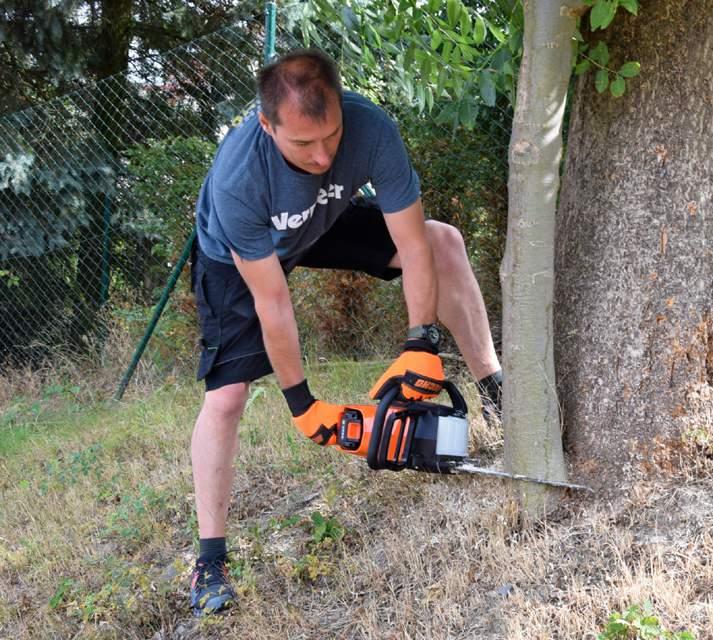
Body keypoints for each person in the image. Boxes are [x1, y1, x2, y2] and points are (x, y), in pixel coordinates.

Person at [189, 48, 502, 616]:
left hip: (319, 222)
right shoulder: (239, 178)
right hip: (240, 259)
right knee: (227, 397)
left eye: (331, 137)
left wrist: (421, 342)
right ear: (267, 125)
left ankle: (498, 395)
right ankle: (210, 560)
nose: (323, 154)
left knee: (444, 243)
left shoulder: (372, 129)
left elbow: (411, 243)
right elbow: (274, 301)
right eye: (302, 145)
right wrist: (304, 406)